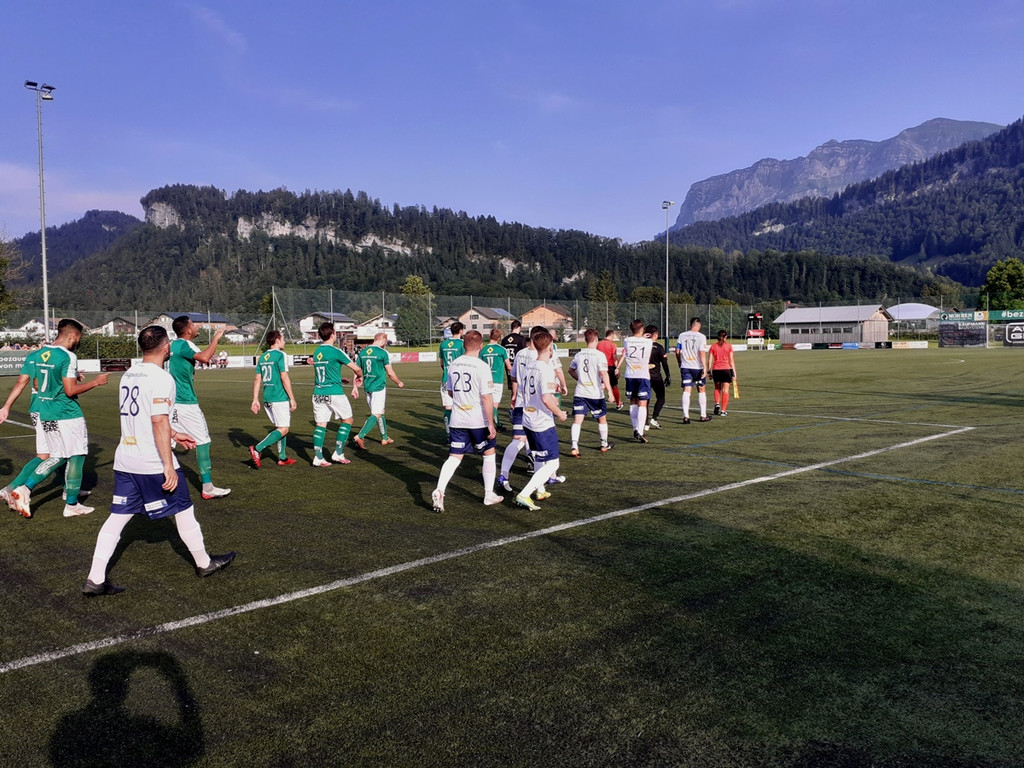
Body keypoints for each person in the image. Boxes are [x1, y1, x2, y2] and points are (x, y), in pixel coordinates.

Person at [82, 325, 234, 596]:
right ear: (166, 348)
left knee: (117, 519)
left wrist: (176, 433)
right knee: (184, 509)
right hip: (151, 461)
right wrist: (167, 464)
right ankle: (204, 563)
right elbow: (158, 420)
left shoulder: (129, 373)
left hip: (125, 460)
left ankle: (94, 578)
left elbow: (147, 418)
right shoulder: (162, 378)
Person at [5, 319, 109, 518]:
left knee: (58, 456)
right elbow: (70, 391)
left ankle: (25, 489)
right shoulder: (67, 356)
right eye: (78, 337)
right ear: (72, 336)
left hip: (46, 412)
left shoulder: (39, 355)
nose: (78, 341)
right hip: (66, 413)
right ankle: (71, 504)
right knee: (77, 456)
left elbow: (36, 381)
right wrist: (96, 382)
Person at [430, 330, 503, 512]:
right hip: (477, 420)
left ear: (463, 345)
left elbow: (450, 392)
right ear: (481, 346)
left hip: (457, 419)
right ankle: (488, 494)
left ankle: (440, 490)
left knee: (454, 456)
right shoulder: (482, 366)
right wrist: (491, 423)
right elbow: (487, 398)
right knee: (489, 452)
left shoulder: (454, 364)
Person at [169, 316, 232, 499]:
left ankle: (155, 481)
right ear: (188, 330)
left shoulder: (172, 345)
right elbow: (205, 358)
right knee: (203, 441)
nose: (197, 326)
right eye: (193, 324)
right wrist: (216, 338)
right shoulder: (184, 345)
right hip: (186, 403)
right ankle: (208, 488)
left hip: (171, 403)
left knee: (168, 443)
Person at [515, 330, 568, 510]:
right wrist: (559, 413)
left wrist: (554, 393)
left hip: (528, 418)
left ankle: (540, 489)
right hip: (541, 422)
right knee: (553, 462)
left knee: (539, 457)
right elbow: (545, 398)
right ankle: (524, 493)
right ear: (551, 347)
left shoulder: (529, 366)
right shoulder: (545, 369)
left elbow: (530, 392)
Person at [311, 322, 362, 465]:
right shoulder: (336, 351)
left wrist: (339, 378)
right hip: (334, 392)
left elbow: (323, 373)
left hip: (318, 393)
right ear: (332, 334)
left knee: (321, 424)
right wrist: (359, 377)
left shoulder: (317, 353)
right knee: (347, 420)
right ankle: (338, 453)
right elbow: (356, 368)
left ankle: (318, 457)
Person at [249, 330, 297, 467]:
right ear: (277, 340)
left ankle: (282, 458)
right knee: (284, 428)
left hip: (267, 397)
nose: (284, 341)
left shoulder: (263, 356)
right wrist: (292, 398)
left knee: (280, 426)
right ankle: (257, 449)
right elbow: (284, 377)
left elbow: (257, 379)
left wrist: (255, 399)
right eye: (283, 338)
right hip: (279, 397)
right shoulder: (281, 355)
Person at [498, 329, 538, 492]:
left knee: (518, 440)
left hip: (521, 402)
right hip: (535, 406)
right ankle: (542, 480)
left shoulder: (520, 354)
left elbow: (513, 377)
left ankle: (504, 474)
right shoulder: (540, 357)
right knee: (539, 440)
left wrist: (514, 395)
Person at [353, 332, 404, 449]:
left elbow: (356, 370)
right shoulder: (383, 353)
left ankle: (385, 437)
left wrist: (355, 387)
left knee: (380, 411)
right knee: (376, 413)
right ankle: (360, 435)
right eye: (385, 343)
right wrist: (399, 382)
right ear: (383, 340)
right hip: (379, 387)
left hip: (367, 387)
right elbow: (390, 373)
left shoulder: (363, 352)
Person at [568, 329, 613, 456]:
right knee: (602, 419)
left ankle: (574, 446)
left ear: (585, 340)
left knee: (577, 420)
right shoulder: (600, 355)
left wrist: (580, 379)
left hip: (580, 392)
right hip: (595, 394)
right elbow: (604, 373)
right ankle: (604, 444)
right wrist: (610, 391)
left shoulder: (579, 355)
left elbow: (570, 370)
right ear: (597, 339)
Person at [615, 319, 654, 443]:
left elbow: (634, 340)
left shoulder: (626, 341)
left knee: (633, 402)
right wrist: (643, 337)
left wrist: (640, 335)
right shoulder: (648, 342)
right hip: (643, 375)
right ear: (642, 329)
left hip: (630, 375)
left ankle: (634, 428)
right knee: (643, 403)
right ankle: (640, 430)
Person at [675, 317, 711, 424]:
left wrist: (679, 362)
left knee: (686, 390)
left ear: (691, 325)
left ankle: (686, 416)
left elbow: (677, 351)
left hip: (685, 366)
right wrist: (705, 367)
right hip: (697, 367)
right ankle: (703, 415)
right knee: (701, 389)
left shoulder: (682, 335)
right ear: (698, 325)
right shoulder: (701, 337)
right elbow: (702, 353)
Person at [481, 329, 511, 430]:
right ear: (499, 338)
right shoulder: (502, 349)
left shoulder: (483, 351)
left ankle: (495, 423)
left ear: (489, 335)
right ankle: (495, 425)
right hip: (497, 381)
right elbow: (509, 366)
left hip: (486, 380)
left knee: (487, 403)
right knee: (494, 405)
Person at [439, 322, 465, 433]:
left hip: (446, 380)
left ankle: (449, 434)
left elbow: (441, 363)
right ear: (460, 331)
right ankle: (462, 432)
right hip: (460, 380)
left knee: (448, 408)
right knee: (462, 407)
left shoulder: (443, 344)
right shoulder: (463, 344)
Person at [644, 324, 671, 429]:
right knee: (661, 398)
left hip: (644, 376)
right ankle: (654, 418)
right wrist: (668, 375)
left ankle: (645, 422)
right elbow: (664, 363)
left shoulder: (643, 346)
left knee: (645, 400)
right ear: (655, 334)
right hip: (656, 377)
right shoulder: (659, 347)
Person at [708, 330, 737, 416]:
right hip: (726, 369)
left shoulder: (713, 346)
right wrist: (734, 373)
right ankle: (723, 411)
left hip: (716, 370)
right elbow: (731, 361)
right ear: (725, 337)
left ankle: (717, 403)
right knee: (725, 390)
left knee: (717, 388)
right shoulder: (728, 346)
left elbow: (709, 360)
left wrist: (709, 371)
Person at [596, 329, 622, 409]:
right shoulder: (612, 345)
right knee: (614, 386)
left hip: (601, 367)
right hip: (610, 367)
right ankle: (618, 404)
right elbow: (614, 357)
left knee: (602, 385)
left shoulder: (599, 344)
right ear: (611, 335)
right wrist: (617, 368)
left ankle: (597, 404)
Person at [500, 320, 528, 392]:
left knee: (513, 387)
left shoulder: (504, 340)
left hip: (508, 365)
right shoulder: (521, 339)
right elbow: (524, 352)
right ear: (519, 327)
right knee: (520, 387)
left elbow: (502, 353)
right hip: (518, 365)